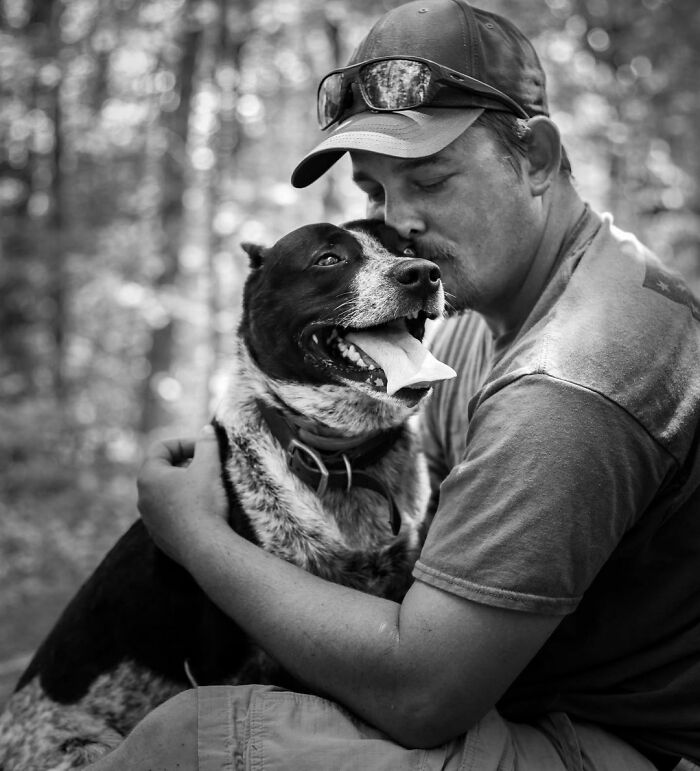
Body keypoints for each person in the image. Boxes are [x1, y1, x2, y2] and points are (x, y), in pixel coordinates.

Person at [89, 1, 700, 769]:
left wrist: (194, 537)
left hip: (609, 748)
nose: (396, 222)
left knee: (190, 737)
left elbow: (421, 693)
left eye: (431, 179)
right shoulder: (502, 313)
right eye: (375, 191)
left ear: (537, 157)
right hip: (537, 702)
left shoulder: (573, 378)